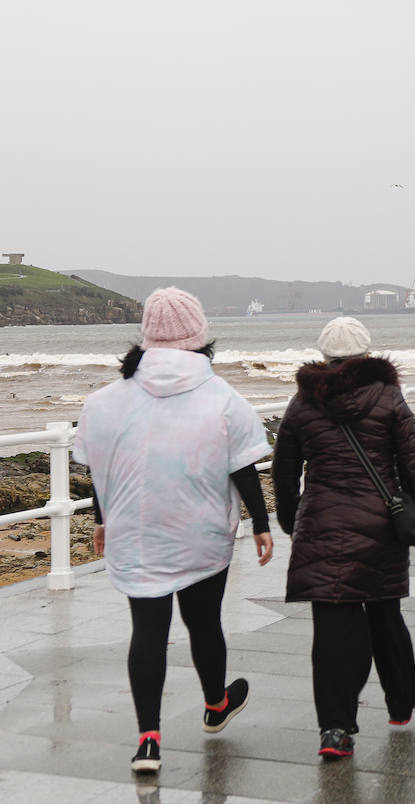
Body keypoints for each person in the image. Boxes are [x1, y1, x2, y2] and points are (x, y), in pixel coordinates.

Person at [73, 288, 273, 775]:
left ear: (146, 337)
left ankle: (148, 742)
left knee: (148, 630)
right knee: (204, 623)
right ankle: (214, 705)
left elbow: (101, 465)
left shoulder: (107, 401)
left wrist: (101, 520)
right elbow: (244, 466)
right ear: (201, 339)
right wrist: (262, 523)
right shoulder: (223, 397)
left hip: (136, 533)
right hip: (202, 532)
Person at [272, 317, 415, 761]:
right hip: (379, 526)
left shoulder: (301, 403)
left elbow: (285, 471)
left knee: (331, 631)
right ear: (367, 355)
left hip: (322, 526)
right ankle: (401, 702)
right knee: (385, 614)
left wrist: (293, 522)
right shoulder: (387, 397)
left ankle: (335, 730)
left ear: (325, 357)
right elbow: (414, 464)